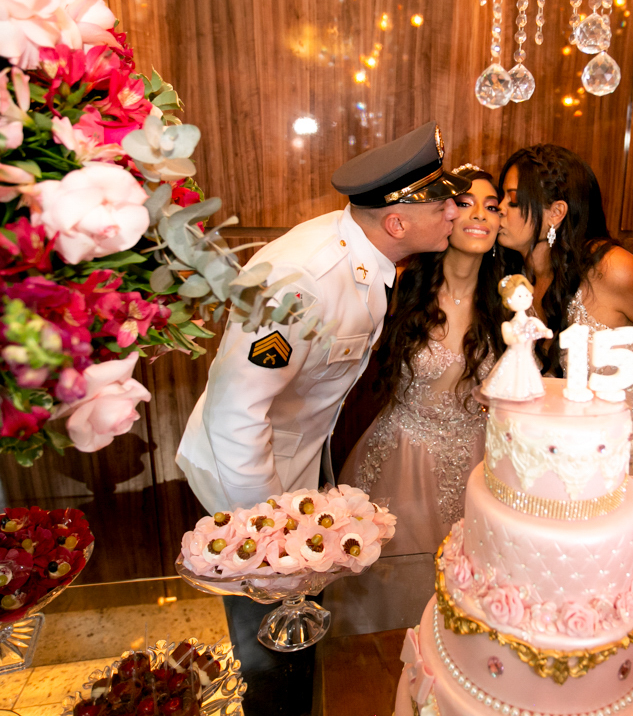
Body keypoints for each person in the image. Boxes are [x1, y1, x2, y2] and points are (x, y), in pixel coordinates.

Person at [175, 121, 469, 716]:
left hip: (296, 461)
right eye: (441, 204)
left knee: (298, 642)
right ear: (396, 222)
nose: (454, 212)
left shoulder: (365, 259)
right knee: (266, 642)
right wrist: (268, 537)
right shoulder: (304, 278)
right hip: (247, 478)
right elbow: (236, 414)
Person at [495, 144, 633, 473]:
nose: (499, 209)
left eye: (512, 200)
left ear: (556, 212)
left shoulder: (613, 270)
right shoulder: (518, 278)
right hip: (569, 448)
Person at [339, 165, 505, 557]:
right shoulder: (399, 288)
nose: (480, 215)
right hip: (401, 460)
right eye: (465, 203)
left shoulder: (510, 302)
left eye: (492, 207)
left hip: (480, 463)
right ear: (445, 214)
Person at [481, 274, 552, 401]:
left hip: (527, 357)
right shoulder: (508, 325)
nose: (524, 299)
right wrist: (517, 339)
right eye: (519, 296)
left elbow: (544, 330)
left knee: (528, 381)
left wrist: (546, 332)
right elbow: (508, 339)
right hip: (513, 357)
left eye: (527, 295)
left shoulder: (532, 320)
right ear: (508, 299)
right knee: (510, 381)